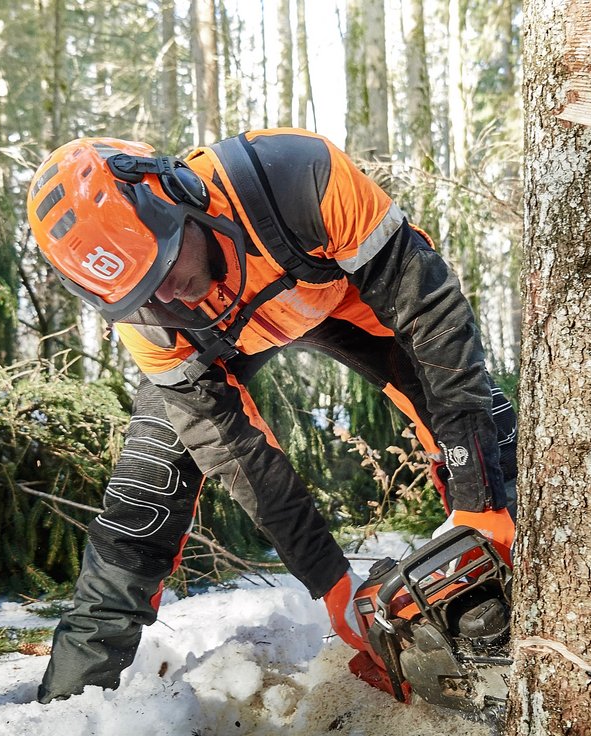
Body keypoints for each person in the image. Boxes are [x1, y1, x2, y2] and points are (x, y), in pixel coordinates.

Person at [26, 129, 517, 703]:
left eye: (166, 271)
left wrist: (478, 500)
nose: (174, 302)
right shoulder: (154, 322)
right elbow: (239, 455)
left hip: (336, 297)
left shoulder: (295, 176)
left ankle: (534, 614)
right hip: (213, 352)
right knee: (144, 497)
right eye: (145, 297)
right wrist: (332, 586)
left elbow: (431, 316)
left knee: (482, 432)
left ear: (175, 192)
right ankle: (69, 712)